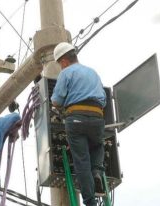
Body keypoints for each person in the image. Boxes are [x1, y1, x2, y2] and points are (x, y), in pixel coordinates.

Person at [51, 42, 107, 206]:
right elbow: (103, 99)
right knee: (98, 145)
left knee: (82, 161)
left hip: (75, 119)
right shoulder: (93, 73)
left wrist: (61, 106)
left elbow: (56, 100)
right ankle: (97, 171)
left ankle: (89, 202)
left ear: (63, 62)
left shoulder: (66, 73)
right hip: (97, 116)